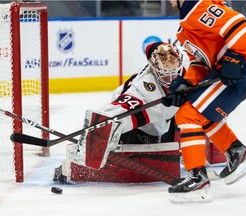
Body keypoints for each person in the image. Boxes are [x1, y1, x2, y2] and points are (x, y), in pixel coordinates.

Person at [165, 0, 246, 203]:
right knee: (198, 110)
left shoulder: (194, 5)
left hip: (245, 67)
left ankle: (197, 180)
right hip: (241, 68)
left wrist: (236, 57)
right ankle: (236, 152)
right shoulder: (185, 25)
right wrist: (184, 83)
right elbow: (200, 63)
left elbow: (238, 23)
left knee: (188, 115)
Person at [53, 42, 185, 183]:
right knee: (128, 144)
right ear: (154, 69)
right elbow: (113, 114)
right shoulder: (142, 90)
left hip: (164, 122)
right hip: (138, 129)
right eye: (165, 75)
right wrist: (99, 132)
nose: (171, 80)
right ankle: (71, 167)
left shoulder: (185, 66)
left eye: (174, 73)